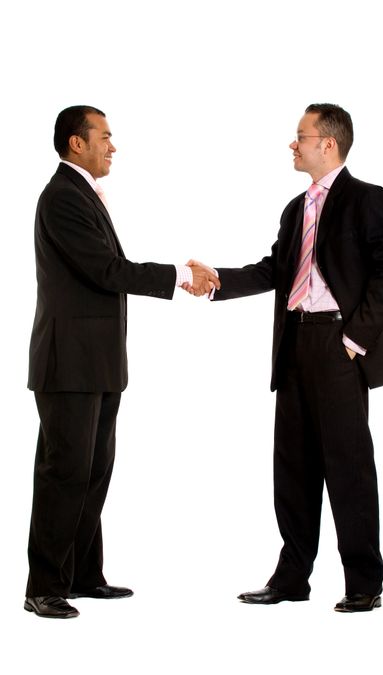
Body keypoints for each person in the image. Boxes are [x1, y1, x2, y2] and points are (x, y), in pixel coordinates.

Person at [186, 103, 383, 612]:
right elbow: (275, 270)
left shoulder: (364, 199)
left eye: (301, 136)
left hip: (338, 347)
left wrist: (355, 339)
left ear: (327, 143)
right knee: (293, 466)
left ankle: (362, 583)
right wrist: (217, 279)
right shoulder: (295, 208)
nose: (293, 143)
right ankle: (291, 579)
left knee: (348, 467)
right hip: (294, 346)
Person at [25, 105, 219, 619]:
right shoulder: (62, 197)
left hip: (99, 363)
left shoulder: (82, 194)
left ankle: (84, 575)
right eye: (105, 137)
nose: (113, 147)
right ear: (76, 143)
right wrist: (180, 275)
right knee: (64, 473)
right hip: (67, 365)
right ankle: (43, 585)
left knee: (94, 472)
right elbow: (106, 271)